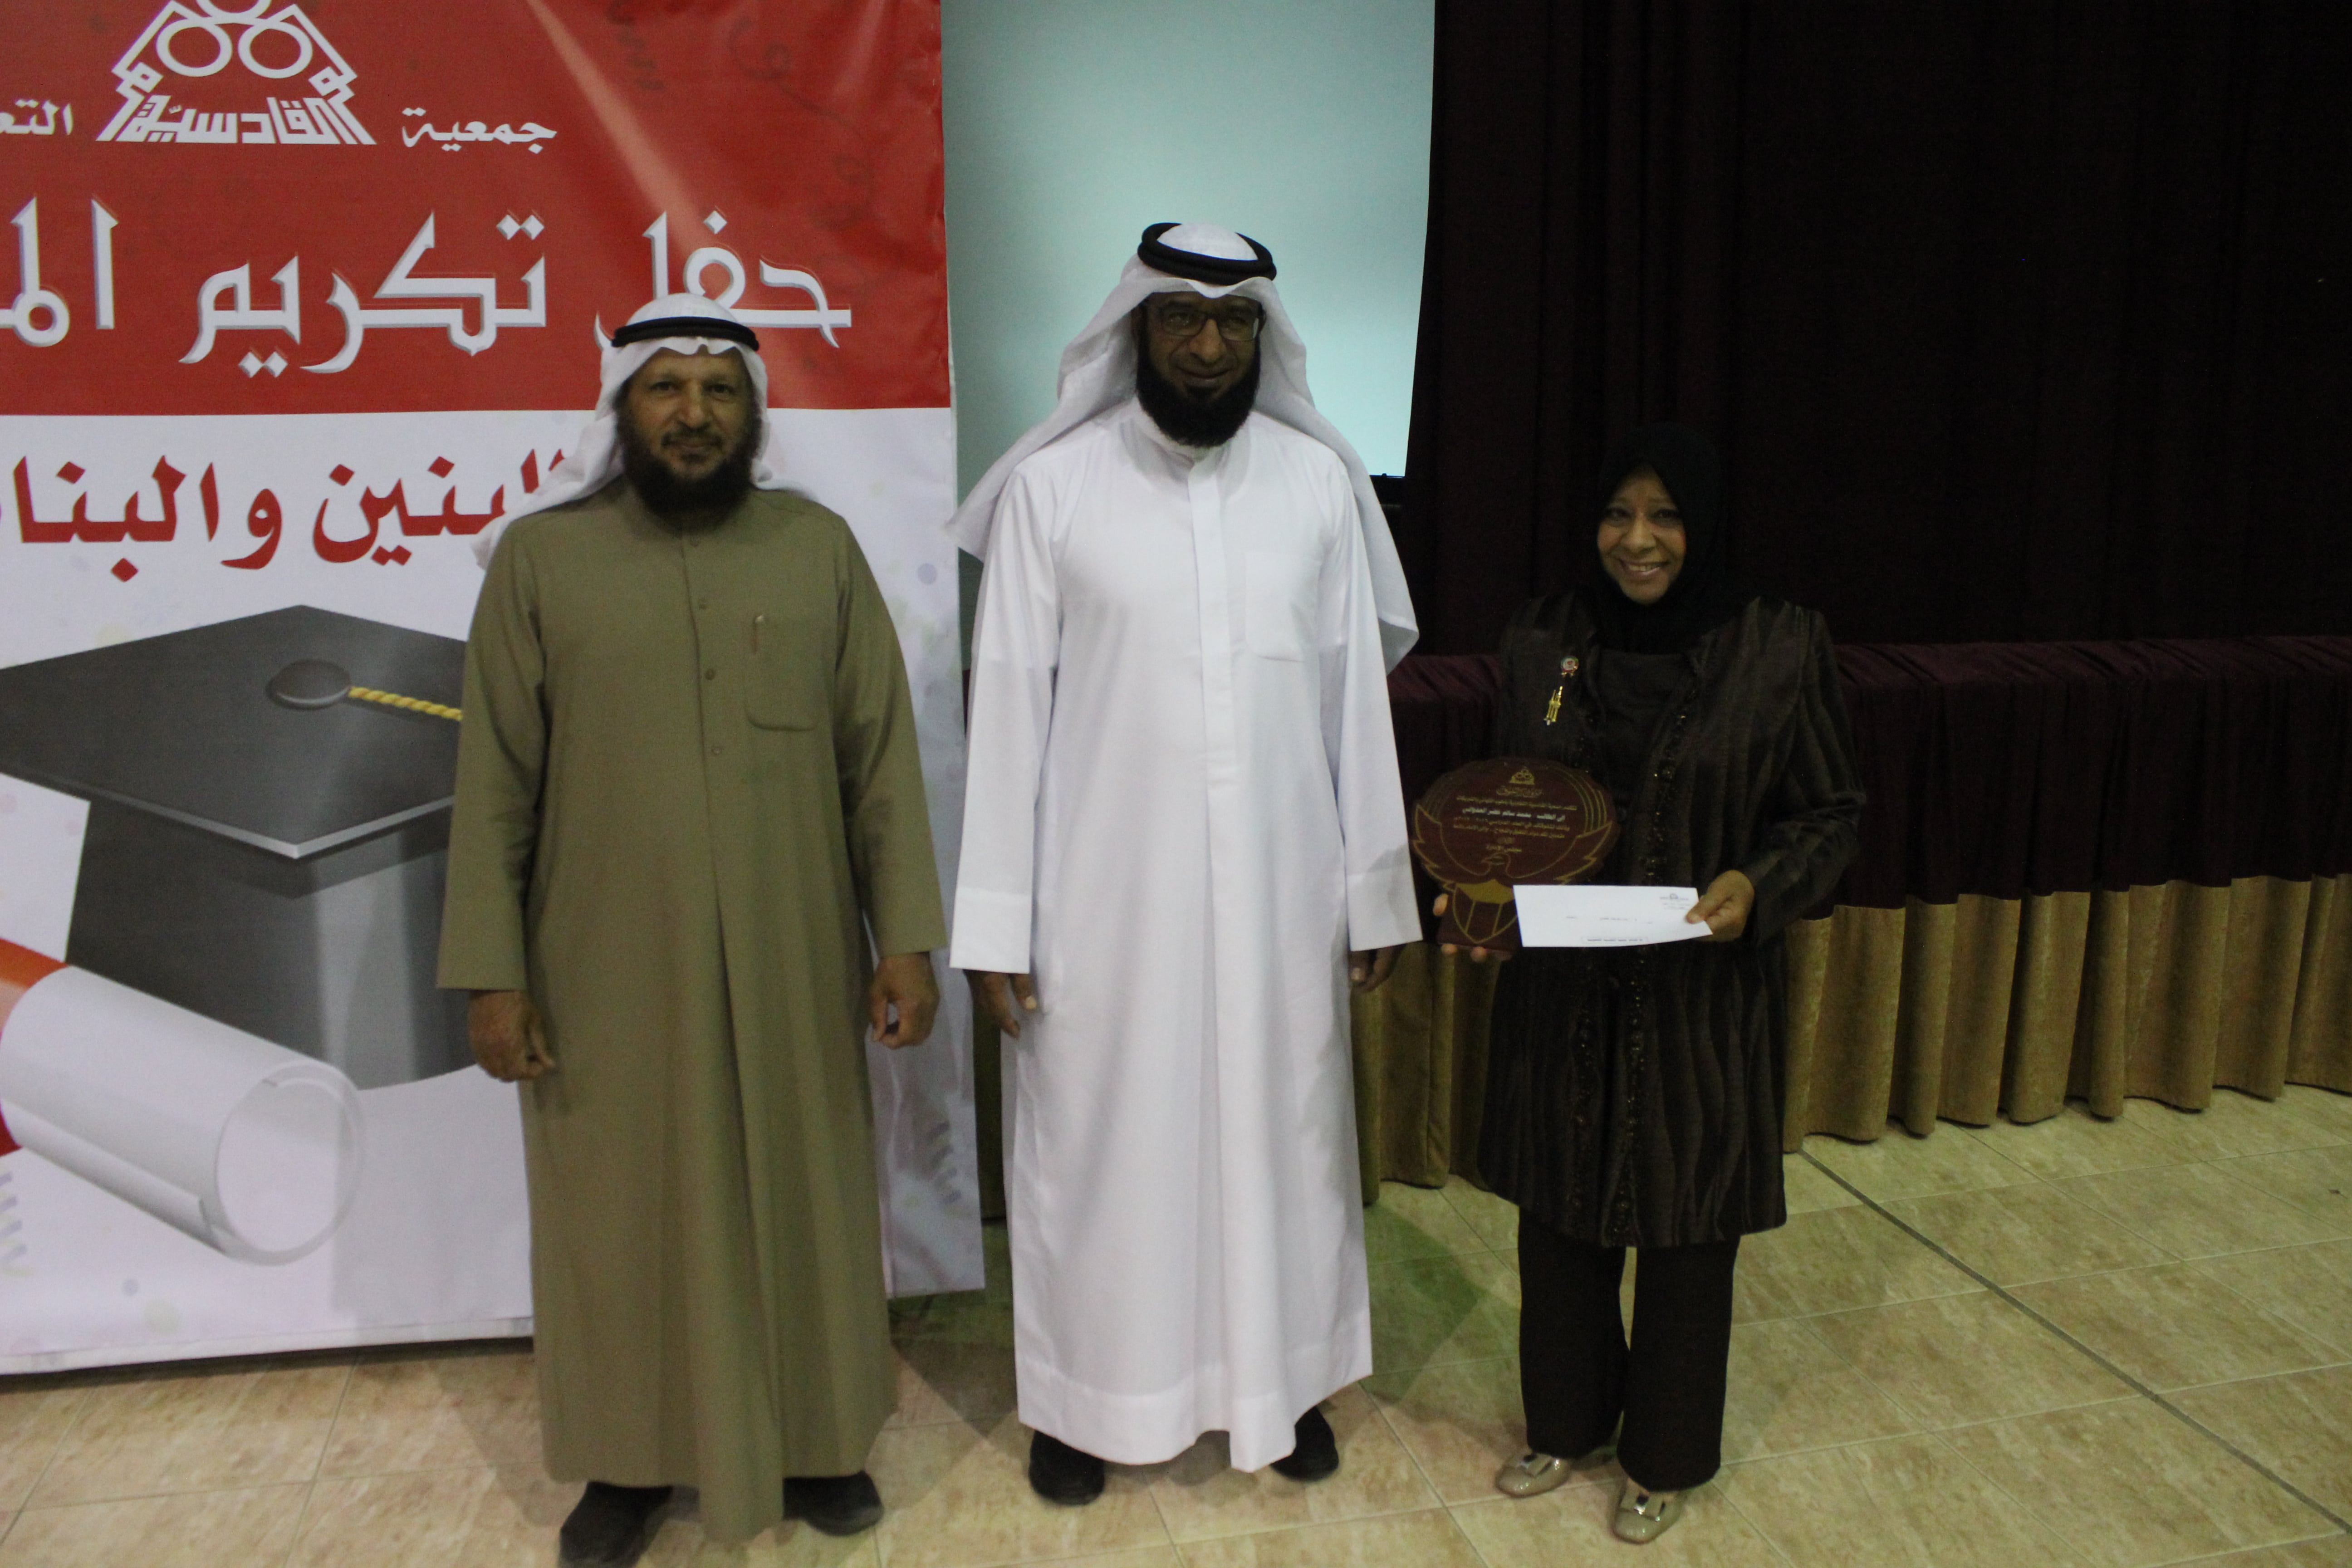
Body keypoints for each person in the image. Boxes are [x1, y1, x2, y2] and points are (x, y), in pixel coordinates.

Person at [438, 294, 948, 1565]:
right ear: (623, 408)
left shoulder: (816, 549)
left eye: (720, 392)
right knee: (618, 1211)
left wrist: (904, 940)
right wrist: (492, 976)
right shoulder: (541, 561)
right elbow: (493, 785)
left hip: (793, 953)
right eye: (666, 388)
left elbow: (881, 762)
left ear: (753, 416)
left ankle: (820, 1440)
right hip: (602, 963)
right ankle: (626, 1465)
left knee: (807, 1191)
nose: (694, 413)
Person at [948, 223, 1421, 1504]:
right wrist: (994, 927)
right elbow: (1009, 713)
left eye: (1234, 322)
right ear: (1136, 328)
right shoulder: (1054, 492)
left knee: (1284, 1146)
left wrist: (1375, 891)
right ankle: (1082, 1403)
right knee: (1104, 1152)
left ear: (1262, 335)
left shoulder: (1317, 489)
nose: (1209, 347)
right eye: (1182, 320)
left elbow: (1352, 704)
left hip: (1280, 898)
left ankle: (1283, 1387)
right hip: (1102, 908)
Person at [1452, 424, 1862, 1544]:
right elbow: (1510, 803)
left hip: (1701, 995)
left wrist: (1760, 886)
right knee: (1559, 1220)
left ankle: (1665, 1457)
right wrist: (1482, 901)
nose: (1638, 540)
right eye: (1618, 514)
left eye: (1667, 516)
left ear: (1705, 526)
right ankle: (1566, 1423)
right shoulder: (1545, 637)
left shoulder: (1779, 644)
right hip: (1562, 989)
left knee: (1686, 1229)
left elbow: (1832, 813)